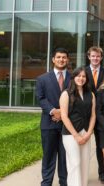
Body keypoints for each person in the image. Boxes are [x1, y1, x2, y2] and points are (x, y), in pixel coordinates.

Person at [36, 48, 70, 186]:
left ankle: (64, 182)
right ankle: (46, 182)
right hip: (48, 123)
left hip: (67, 125)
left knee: (64, 157)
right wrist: (52, 111)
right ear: (53, 59)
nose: (61, 59)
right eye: (59, 57)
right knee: (49, 156)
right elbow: (40, 98)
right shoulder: (42, 78)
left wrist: (62, 113)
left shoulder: (74, 78)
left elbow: (76, 99)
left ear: (67, 59)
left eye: (64, 57)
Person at [60, 67, 96, 186]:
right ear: (73, 77)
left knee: (85, 163)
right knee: (75, 163)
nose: (81, 78)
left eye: (84, 76)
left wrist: (89, 133)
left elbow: (93, 115)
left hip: (85, 133)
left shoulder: (90, 94)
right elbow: (64, 116)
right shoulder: (66, 94)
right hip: (71, 134)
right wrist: (76, 135)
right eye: (78, 76)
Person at [85, 46, 104, 184]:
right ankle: (81, 173)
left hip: (101, 115)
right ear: (89, 57)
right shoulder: (83, 72)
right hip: (85, 115)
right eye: (93, 56)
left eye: (98, 56)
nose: (95, 58)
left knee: (100, 146)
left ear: (101, 58)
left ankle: (102, 173)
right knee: (83, 145)